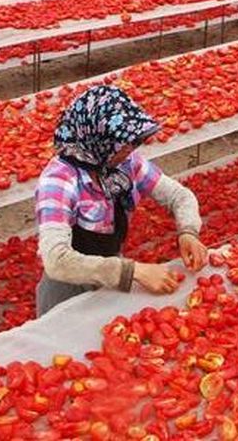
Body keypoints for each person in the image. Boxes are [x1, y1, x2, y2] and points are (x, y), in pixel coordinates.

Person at [35, 85, 208, 317]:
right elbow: (57, 260)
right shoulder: (59, 181)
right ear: (97, 136)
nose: (131, 148)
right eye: (122, 142)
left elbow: (180, 196)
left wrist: (188, 232)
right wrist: (132, 271)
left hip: (110, 277)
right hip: (67, 289)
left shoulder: (123, 164)